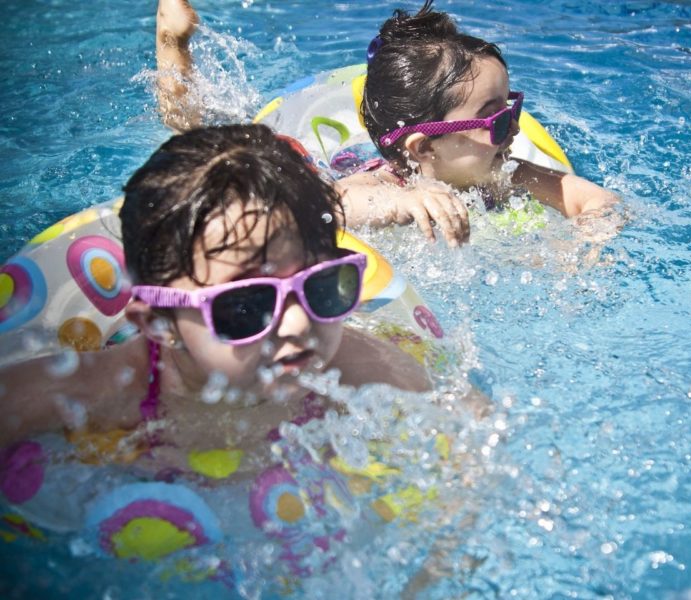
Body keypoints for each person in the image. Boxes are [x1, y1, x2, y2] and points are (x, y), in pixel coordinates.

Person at [0, 123, 429, 458]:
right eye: (246, 305)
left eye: (320, 287)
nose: (299, 323)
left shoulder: (356, 368)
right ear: (158, 321)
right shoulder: (95, 393)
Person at [154, 0, 619, 248]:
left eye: (511, 110)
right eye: (493, 121)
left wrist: (586, 241)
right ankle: (172, 43)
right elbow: (327, 207)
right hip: (329, 164)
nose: (513, 130)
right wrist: (400, 202)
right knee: (202, 143)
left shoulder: (508, 175)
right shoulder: (384, 180)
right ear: (422, 149)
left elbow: (593, 198)